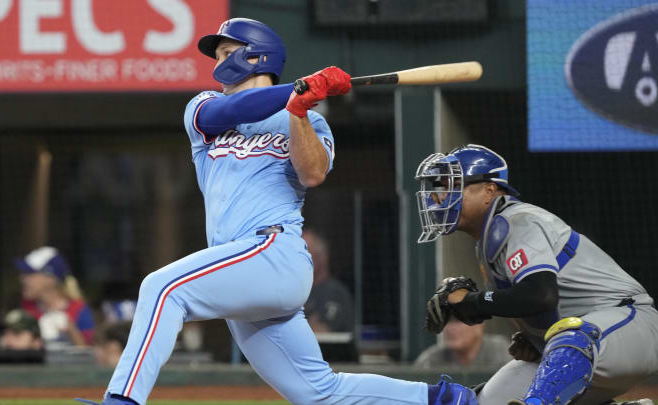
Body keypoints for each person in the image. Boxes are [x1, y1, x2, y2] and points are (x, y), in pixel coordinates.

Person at [76, 17, 477, 405]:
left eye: (227, 52)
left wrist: (300, 109)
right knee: (318, 392)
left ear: (257, 57)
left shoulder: (308, 119)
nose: (217, 63)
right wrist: (300, 88)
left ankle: (122, 400)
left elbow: (314, 173)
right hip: (239, 269)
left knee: (162, 289)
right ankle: (442, 399)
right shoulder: (205, 107)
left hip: (273, 252)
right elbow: (230, 113)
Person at [414, 144, 658, 404]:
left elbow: (540, 295)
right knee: (486, 401)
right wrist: (535, 338)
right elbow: (539, 301)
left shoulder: (519, 220)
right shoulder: (487, 242)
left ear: (489, 191)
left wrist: (472, 302)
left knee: (570, 339)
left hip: (631, 326)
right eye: (439, 189)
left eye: (453, 186)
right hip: (585, 349)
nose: (438, 198)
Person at [16, 246, 95, 349]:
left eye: (30, 273)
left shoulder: (79, 310)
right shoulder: (25, 309)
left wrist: (71, 331)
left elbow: (90, 357)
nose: (23, 278)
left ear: (51, 279)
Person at [302, 229, 354, 333]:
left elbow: (323, 332)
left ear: (322, 256)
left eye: (306, 252)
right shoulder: (294, 293)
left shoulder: (335, 293)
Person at [414, 318, 510, 370]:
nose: (450, 328)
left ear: (479, 325)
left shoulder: (499, 350)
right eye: (447, 321)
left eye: (458, 321)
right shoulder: (431, 360)